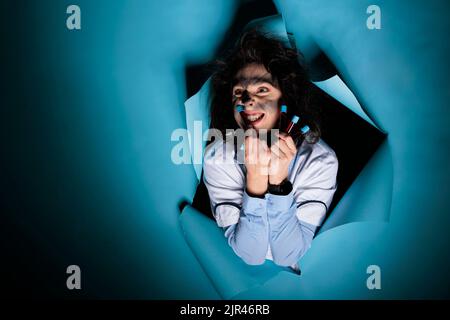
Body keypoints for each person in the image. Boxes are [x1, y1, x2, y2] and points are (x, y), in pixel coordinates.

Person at [202, 29, 338, 270]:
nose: (246, 100)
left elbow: (288, 256)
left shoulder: (320, 160)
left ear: (285, 100)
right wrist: (254, 180)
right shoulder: (217, 158)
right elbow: (251, 256)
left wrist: (278, 183)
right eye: (238, 93)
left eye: (262, 89)